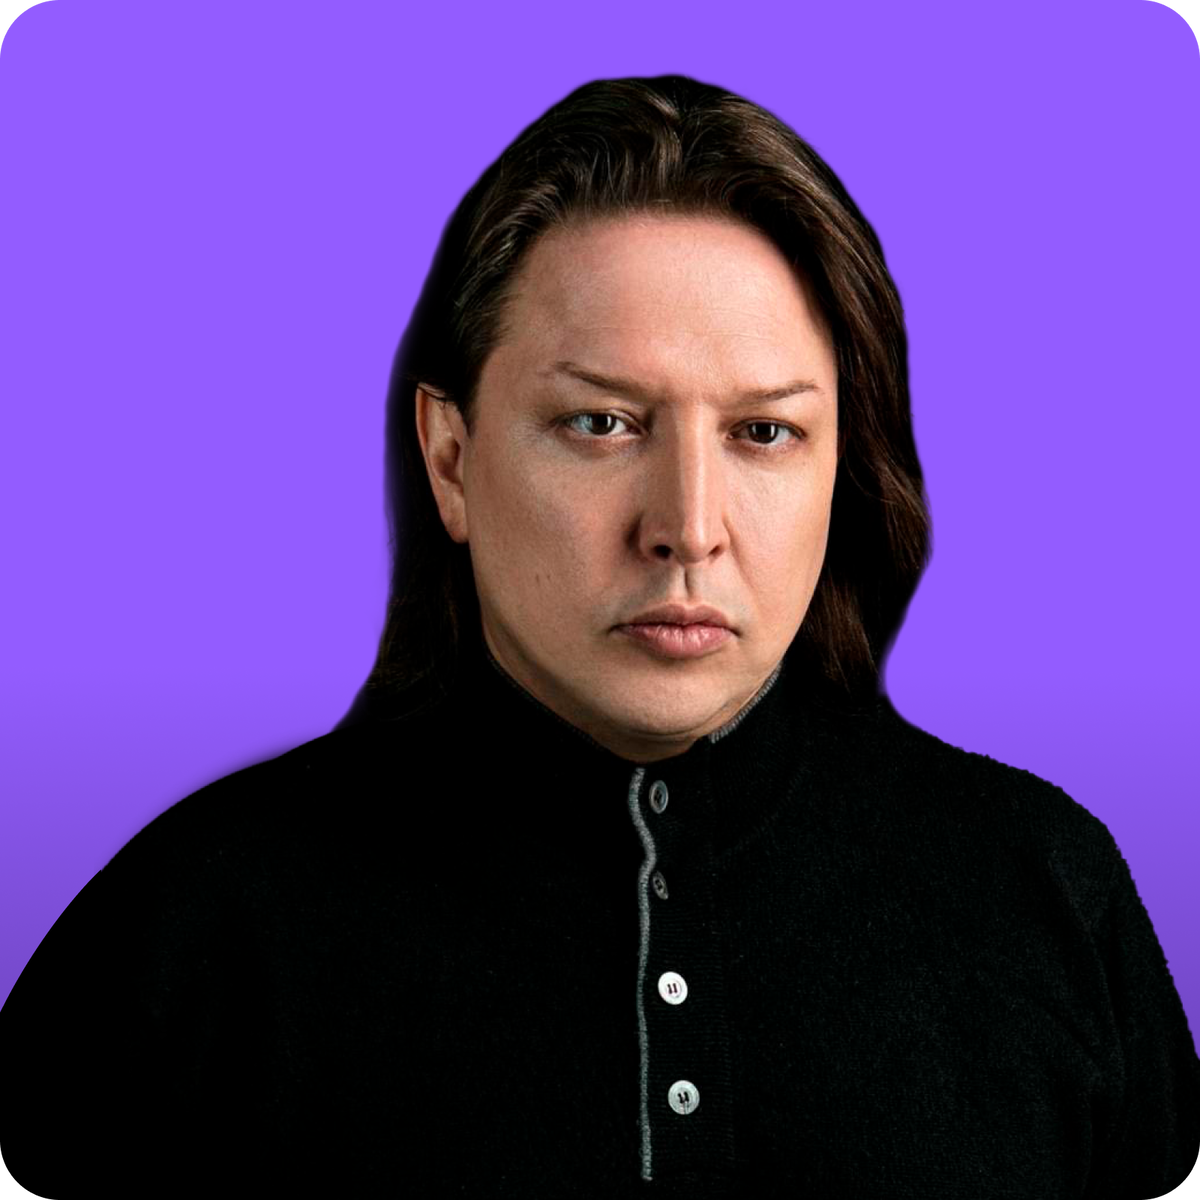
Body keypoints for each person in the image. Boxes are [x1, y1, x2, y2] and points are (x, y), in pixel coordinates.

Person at [3, 74, 1197, 1197]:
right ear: (451, 459)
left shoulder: (1047, 898)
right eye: (602, 423)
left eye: (764, 434)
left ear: (842, 467)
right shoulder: (195, 936)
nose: (687, 527)